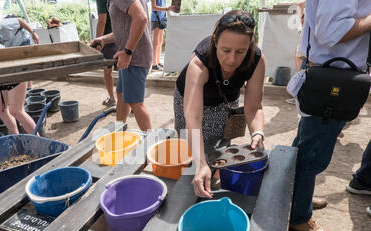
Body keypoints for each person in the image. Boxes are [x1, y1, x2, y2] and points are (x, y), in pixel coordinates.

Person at [288, 0, 371, 231]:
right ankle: (299, 216)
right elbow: (330, 31)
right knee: (313, 154)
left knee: (306, 142)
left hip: (328, 73)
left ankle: (297, 194)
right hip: (331, 78)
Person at [174, 10, 266, 199]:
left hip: (226, 100)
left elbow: (254, 107)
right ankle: (197, 175)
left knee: (221, 142)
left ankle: (213, 173)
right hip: (191, 100)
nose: (232, 60)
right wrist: (200, 164)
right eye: (226, 50)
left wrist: (257, 131)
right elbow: (193, 117)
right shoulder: (199, 63)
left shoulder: (256, 59)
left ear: (250, 46)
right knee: (194, 151)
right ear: (215, 41)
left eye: (241, 52)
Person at [91, 0, 153, 131]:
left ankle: (152, 144)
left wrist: (128, 52)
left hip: (135, 57)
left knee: (136, 103)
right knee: (121, 94)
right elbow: (125, 29)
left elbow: (141, 19)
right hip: (131, 56)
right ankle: (119, 131)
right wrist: (103, 39)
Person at [96, 0, 117, 107]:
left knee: (107, 72)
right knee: (125, 72)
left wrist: (97, 41)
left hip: (107, 40)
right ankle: (130, 103)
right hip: (121, 37)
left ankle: (112, 99)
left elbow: (102, 21)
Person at [150, 0, 174, 71]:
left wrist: (175, 8)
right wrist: (166, 9)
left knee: (160, 41)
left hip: (162, 19)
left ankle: (157, 62)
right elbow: (153, 7)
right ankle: (154, 64)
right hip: (156, 19)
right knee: (155, 43)